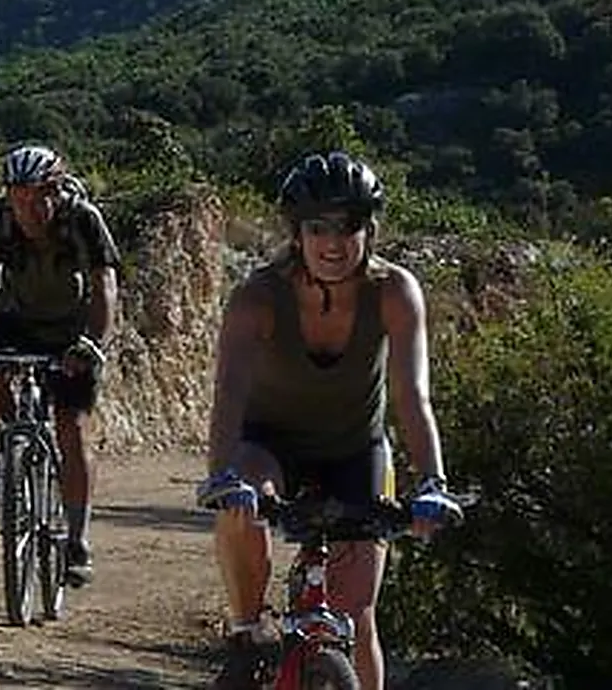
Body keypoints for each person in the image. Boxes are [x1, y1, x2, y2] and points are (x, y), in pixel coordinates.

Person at [198, 151, 462, 690]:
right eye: (318, 228)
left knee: (356, 613)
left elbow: (412, 394)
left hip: (356, 449)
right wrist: (222, 475)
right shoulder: (258, 297)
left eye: (349, 227)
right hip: (268, 444)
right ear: (297, 233)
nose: (334, 243)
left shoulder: (394, 291)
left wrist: (432, 481)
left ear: (371, 229)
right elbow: (229, 392)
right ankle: (249, 631)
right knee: (240, 505)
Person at [0, 144, 120, 587]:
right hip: (16, 320)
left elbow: (105, 286)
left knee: (71, 426)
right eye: (18, 196)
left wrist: (91, 344)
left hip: (72, 328)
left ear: (56, 191)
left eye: (37, 195)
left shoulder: (82, 219)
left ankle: (77, 537)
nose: (27, 207)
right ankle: (10, 448)